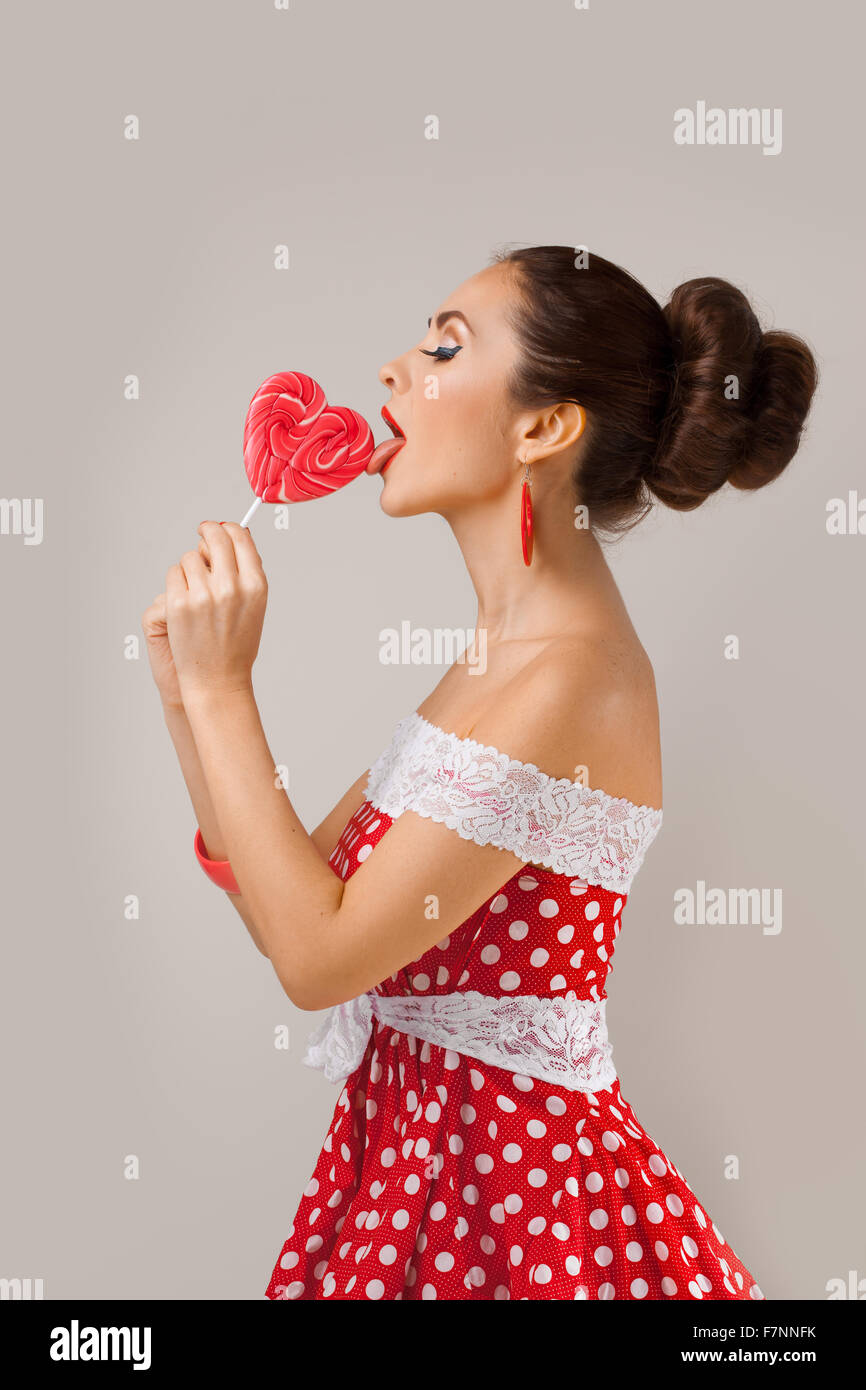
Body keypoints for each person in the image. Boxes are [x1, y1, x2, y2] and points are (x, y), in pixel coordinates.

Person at [142, 245, 818, 1300]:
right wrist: (191, 698)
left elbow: (319, 964)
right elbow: (290, 908)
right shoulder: (496, 664)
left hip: (518, 1212)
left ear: (542, 427)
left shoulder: (575, 679)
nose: (390, 372)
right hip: (408, 1177)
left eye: (443, 346)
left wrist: (230, 692)